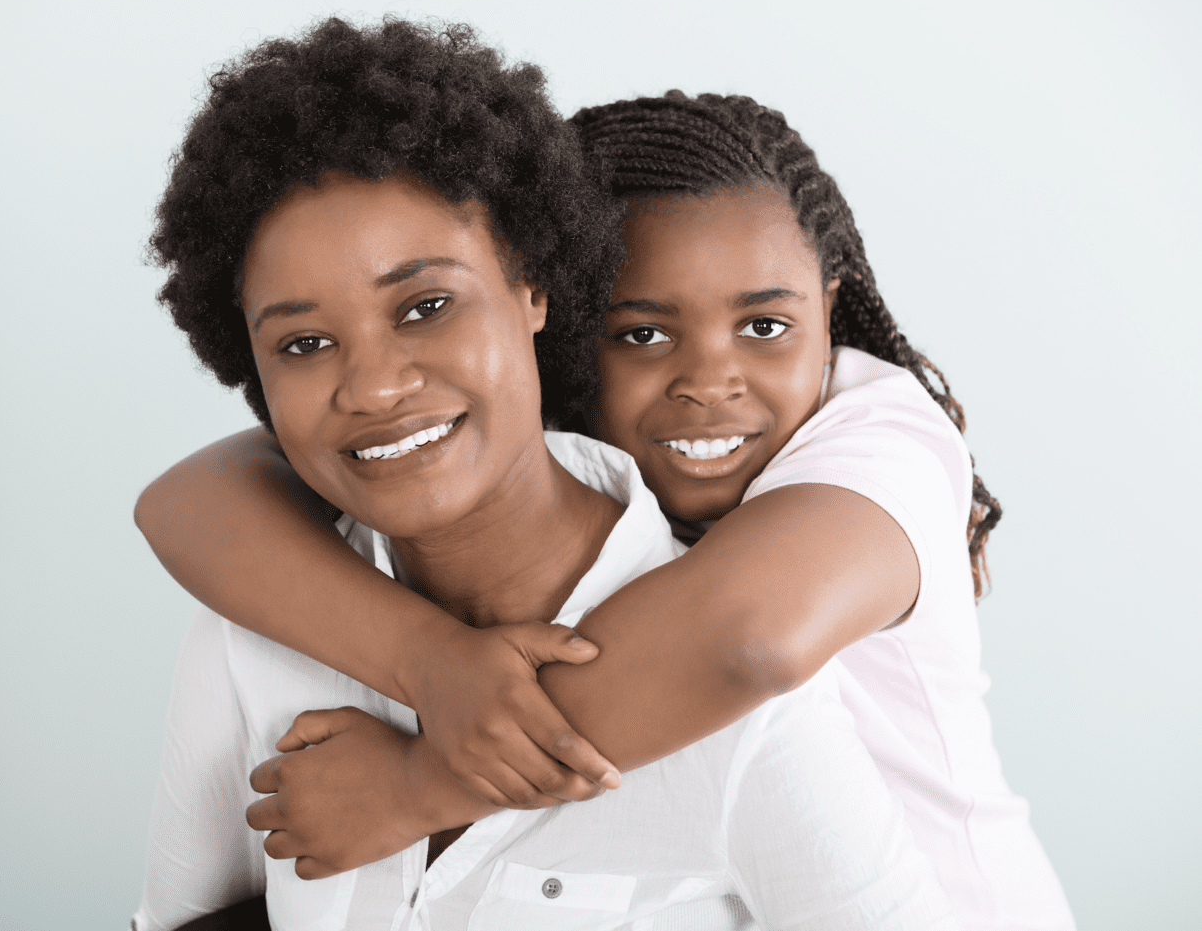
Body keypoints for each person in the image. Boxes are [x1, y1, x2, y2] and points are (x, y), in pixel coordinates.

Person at [137, 79, 1075, 930]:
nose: (709, 380)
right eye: (641, 332)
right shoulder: (474, 418)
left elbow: (748, 639)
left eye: (764, 325)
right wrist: (427, 661)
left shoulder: (878, 431)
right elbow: (192, 500)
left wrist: (422, 784)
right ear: (570, 322)